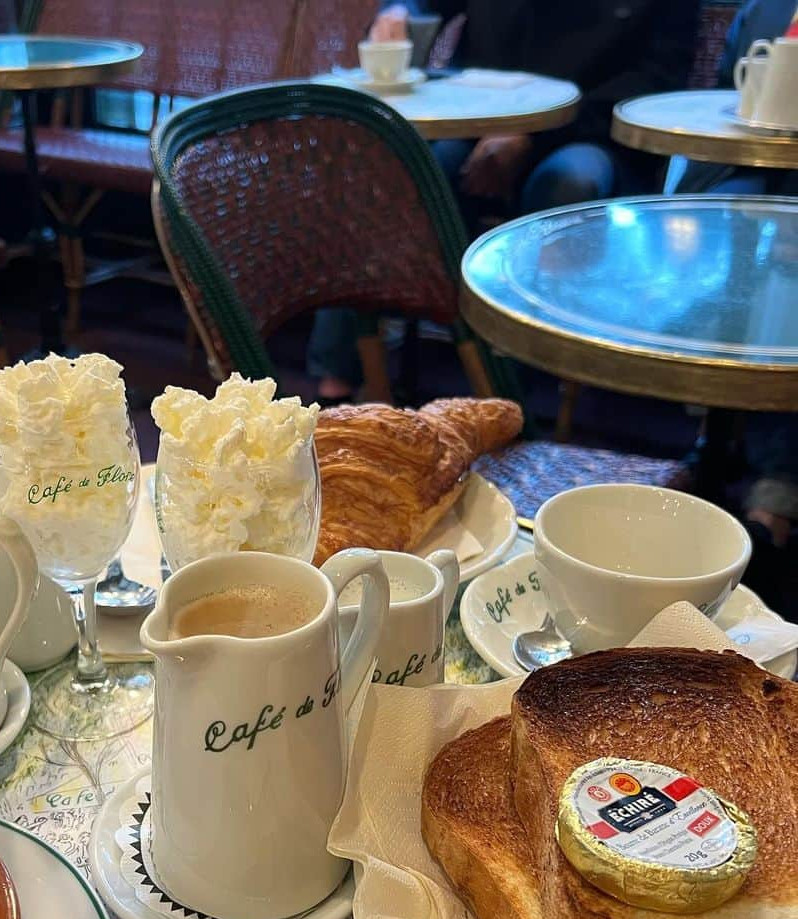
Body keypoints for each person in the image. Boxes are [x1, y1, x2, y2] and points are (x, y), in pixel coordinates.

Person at [308, 0, 700, 401]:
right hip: (475, 120)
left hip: (590, 133)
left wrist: (533, 136)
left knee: (567, 185)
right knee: (401, 171)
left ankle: (505, 398)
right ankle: (333, 387)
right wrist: (400, 11)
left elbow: (655, 83)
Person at [677, 0, 797, 593]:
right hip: (755, 165)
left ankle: (773, 490)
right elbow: (728, 102)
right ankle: (711, 432)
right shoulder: (765, 10)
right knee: (732, 223)